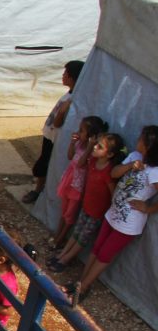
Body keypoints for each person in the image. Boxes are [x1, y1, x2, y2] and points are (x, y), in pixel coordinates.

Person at [67, 125, 158, 305]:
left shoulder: (154, 171)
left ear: (149, 146)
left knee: (104, 255)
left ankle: (82, 288)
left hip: (129, 223)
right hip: (113, 213)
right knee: (97, 248)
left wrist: (148, 208)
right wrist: (131, 165)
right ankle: (79, 283)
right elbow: (115, 172)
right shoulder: (135, 157)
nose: (138, 140)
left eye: (142, 138)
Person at [48, 133, 124, 273]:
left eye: (99, 146)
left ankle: (65, 259)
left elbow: (113, 194)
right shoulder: (93, 163)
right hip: (86, 206)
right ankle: (62, 254)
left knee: (83, 238)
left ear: (109, 154)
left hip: (97, 212)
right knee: (77, 232)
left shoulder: (108, 172)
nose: (94, 146)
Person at [22, 60, 85, 204]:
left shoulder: (73, 99)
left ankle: (38, 191)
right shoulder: (70, 93)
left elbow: (57, 123)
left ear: (72, 77)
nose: (63, 76)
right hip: (50, 135)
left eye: (66, 74)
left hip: (56, 138)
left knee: (43, 166)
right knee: (43, 163)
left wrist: (62, 111)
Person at [51, 116, 107, 249]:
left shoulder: (91, 153)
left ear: (90, 136)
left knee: (69, 215)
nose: (78, 132)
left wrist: (89, 147)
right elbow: (70, 156)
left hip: (78, 187)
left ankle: (60, 239)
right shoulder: (79, 145)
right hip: (69, 182)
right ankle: (57, 234)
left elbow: (81, 163)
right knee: (64, 211)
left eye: (82, 130)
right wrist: (72, 143)